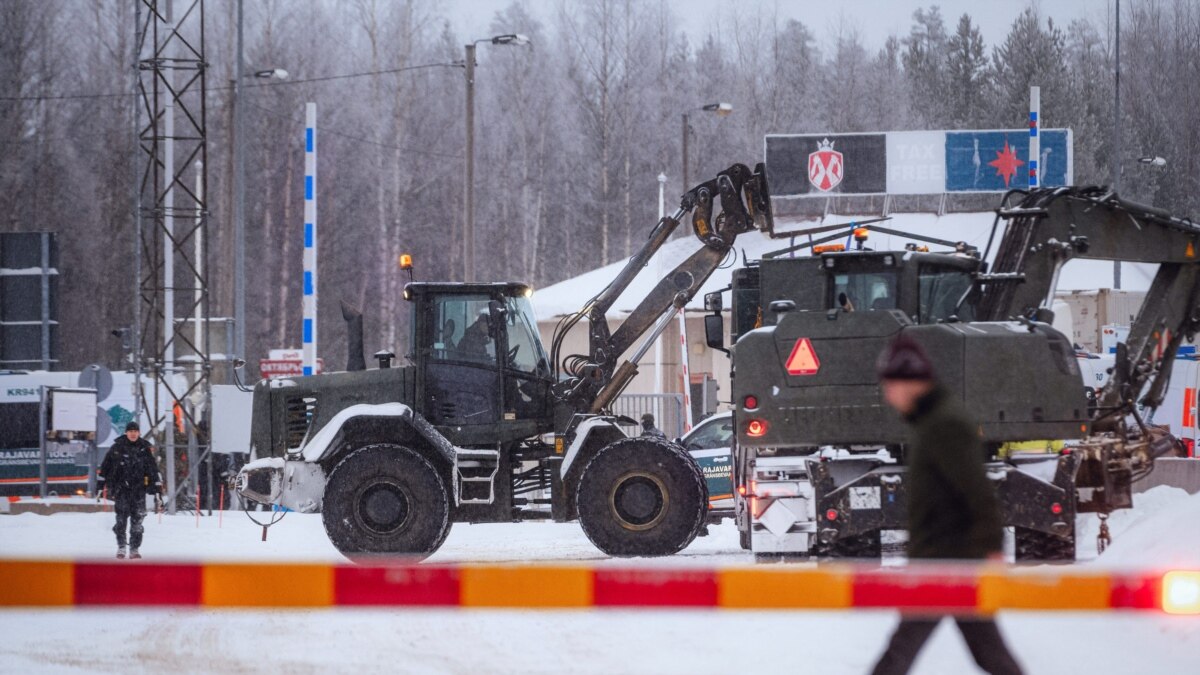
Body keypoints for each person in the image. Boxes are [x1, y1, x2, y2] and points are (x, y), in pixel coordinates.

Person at [870, 334, 1023, 675]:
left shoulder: (944, 424)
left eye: (889, 385)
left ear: (909, 382)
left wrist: (991, 548)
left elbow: (976, 490)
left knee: (898, 654)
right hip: (947, 559)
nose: (887, 395)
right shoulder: (933, 421)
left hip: (947, 561)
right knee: (989, 653)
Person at [98, 421, 162, 560]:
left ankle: (134, 548)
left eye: (135, 431)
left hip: (139, 491)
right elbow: (105, 468)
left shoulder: (144, 449)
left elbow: (152, 470)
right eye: (130, 431)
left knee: (137, 521)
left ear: (139, 433)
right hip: (121, 491)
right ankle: (121, 546)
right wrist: (100, 485)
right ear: (126, 432)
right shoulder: (117, 448)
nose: (133, 434)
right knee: (121, 520)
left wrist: (157, 489)